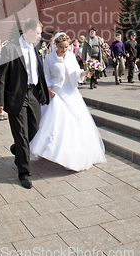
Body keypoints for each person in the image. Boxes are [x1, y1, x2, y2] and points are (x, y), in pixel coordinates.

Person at [30, 33, 106, 171]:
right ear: (55, 46)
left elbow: (76, 73)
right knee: (59, 124)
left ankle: (73, 156)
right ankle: (54, 152)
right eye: (61, 47)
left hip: (71, 92)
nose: (64, 50)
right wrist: (48, 89)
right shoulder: (49, 58)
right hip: (57, 94)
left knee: (76, 125)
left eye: (66, 47)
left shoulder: (71, 56)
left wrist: (86, 73)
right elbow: (45, 75)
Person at [0, 18, 50, 189]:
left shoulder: (36, 49)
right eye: (39, 33)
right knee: (22, 135)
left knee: (35, 128)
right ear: (30, 32)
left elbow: (39, 73)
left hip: (33, 94)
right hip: (16, 96)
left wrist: (44, 93)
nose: (41, 37)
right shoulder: (10, 49)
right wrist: (0, 101)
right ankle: (24, 173)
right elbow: (2, 76)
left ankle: (18, 149)